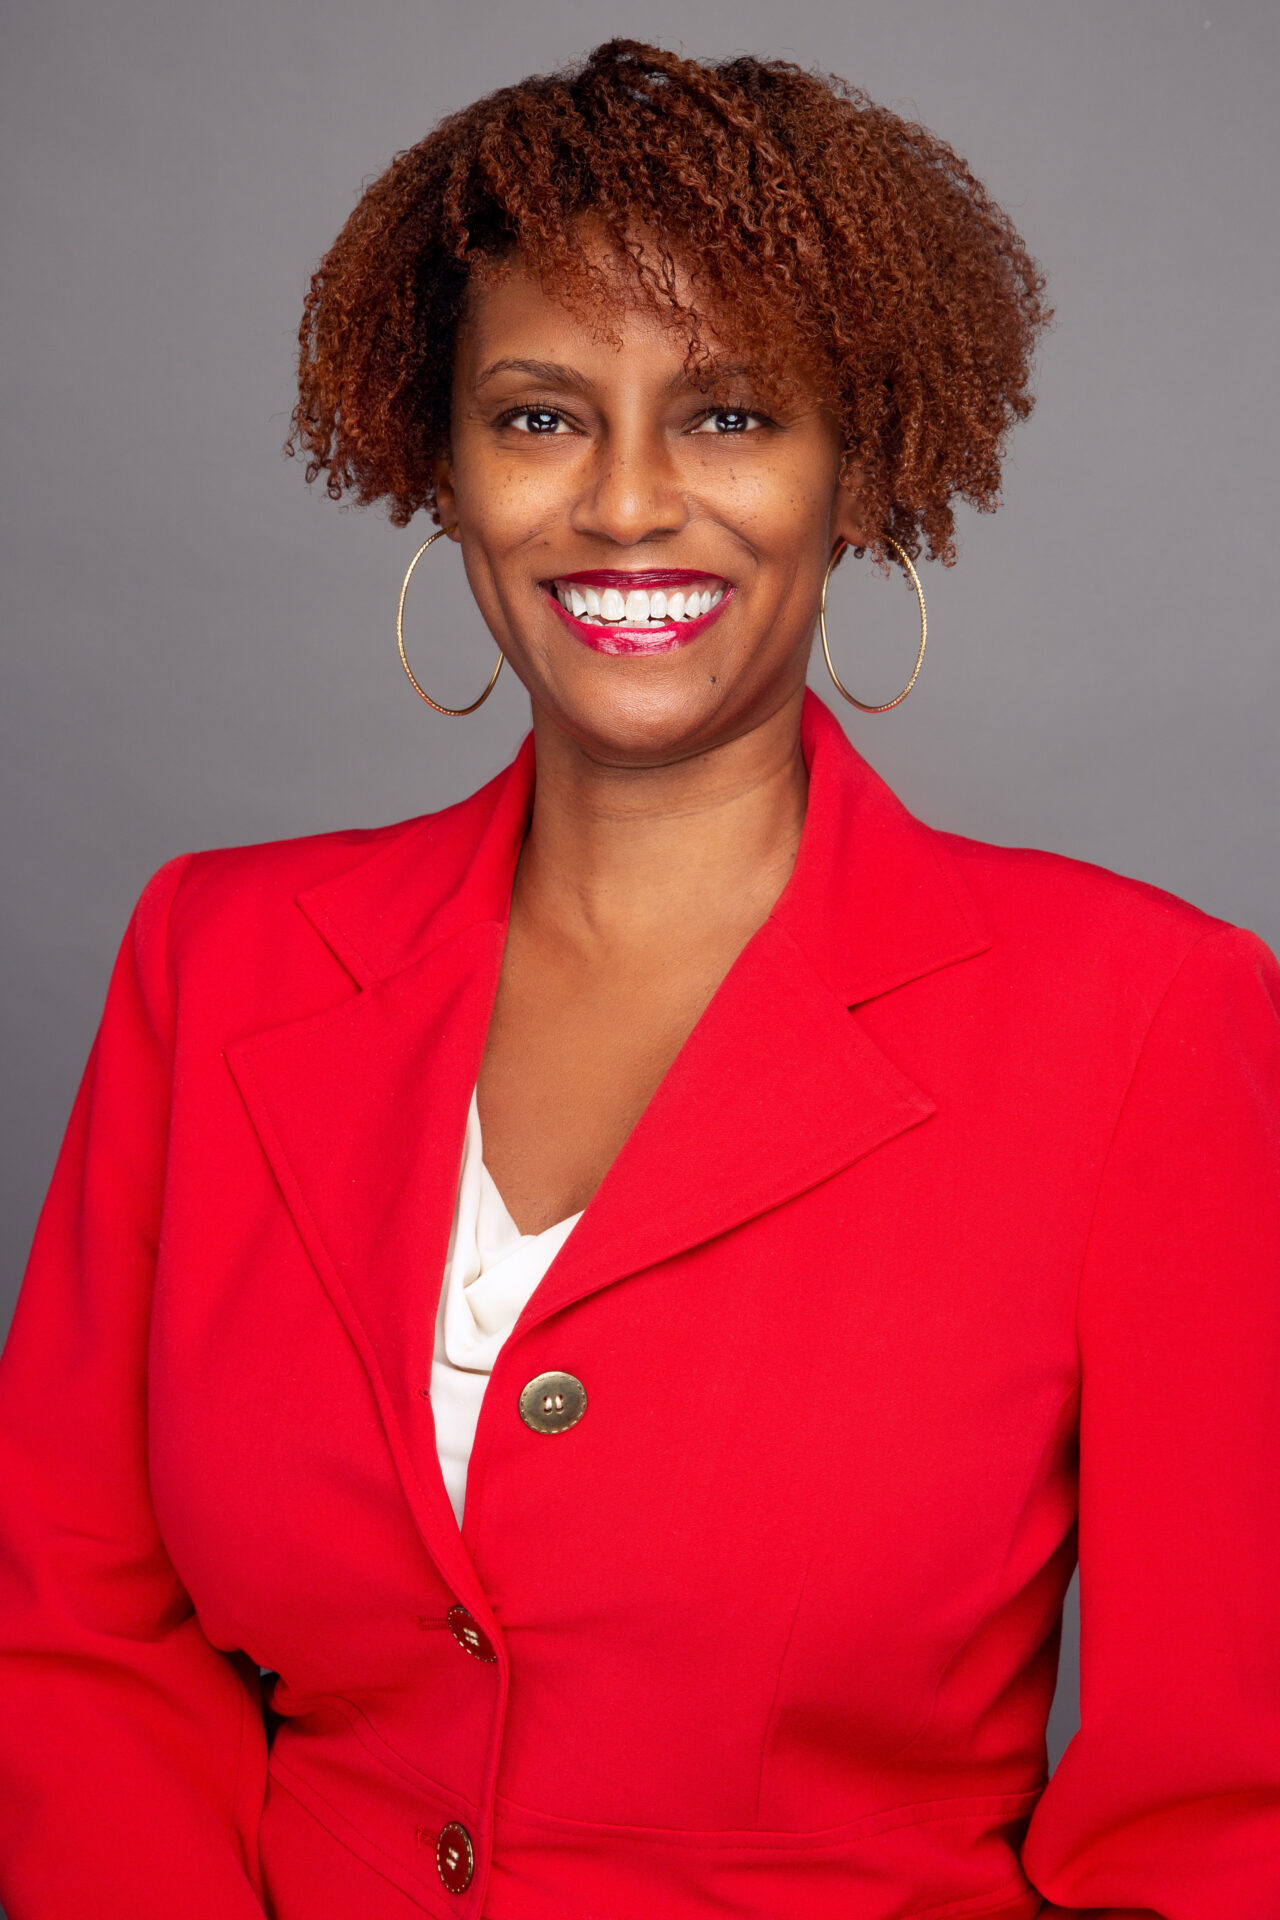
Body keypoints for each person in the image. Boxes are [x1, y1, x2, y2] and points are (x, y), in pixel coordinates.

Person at [0, 37, 1276, 1920]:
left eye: (731, 414)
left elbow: (1216, 1816)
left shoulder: (1156, 1024)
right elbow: (77, 1636)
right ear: (435, 461)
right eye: (537, 416)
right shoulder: (217, 955)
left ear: (866, 467)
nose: (622, 507)